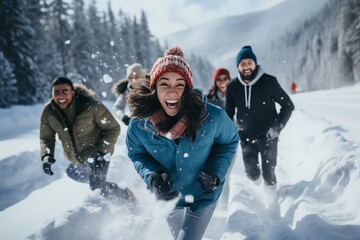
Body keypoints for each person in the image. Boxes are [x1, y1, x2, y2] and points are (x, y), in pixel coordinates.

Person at [125, 46, 239, 240]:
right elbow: (137, 153)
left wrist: (216, 171)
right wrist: (153, 175)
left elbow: (230, 141)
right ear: (154, 88)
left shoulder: (211, 116)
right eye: (164, 84)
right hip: (169, 195)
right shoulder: (139, 124)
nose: (172, 92)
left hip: (203, 195)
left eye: (179, 84)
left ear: (187, 88)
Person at [39, 76, 138, 213]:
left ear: (72, 92)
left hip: (99, 154)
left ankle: (126, 197)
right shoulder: (49, 111)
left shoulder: (90, 105)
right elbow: (46, 137)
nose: (60, 95)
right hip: (77, 158)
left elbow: (113, 128)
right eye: (56, 92)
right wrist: (46, 155)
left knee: (97, 186)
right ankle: (103, 187)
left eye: (65, 91)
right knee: (72, 174)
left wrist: (102, 154)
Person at [226, 45, 295, 187]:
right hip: (246, 136)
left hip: (268, 136)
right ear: (238, 66)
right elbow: (228, 113)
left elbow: (288, 105)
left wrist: (278, 126)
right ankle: (257, 195)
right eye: (243, 64)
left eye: (249, 63)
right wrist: (232, 129)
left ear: (255, 63)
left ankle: (271, 201)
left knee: (268, 173)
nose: (246, 67)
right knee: (252, 174)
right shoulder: (232, 86)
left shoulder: (269, 82)